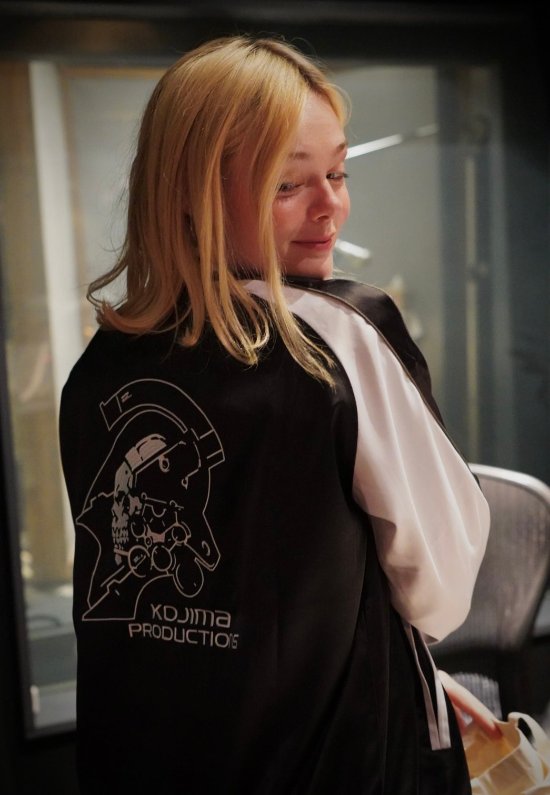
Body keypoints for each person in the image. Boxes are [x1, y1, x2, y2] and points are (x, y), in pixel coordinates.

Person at [59, 35, 494, 794]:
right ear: (193, 191)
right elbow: (441, 585)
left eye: (338, 172)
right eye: (288, 184)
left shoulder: (104, 364)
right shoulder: (336, 333)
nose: (331, 205)